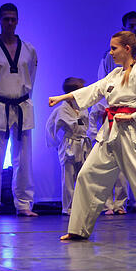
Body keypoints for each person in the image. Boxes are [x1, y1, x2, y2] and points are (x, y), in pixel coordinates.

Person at [49, 31, 136, 241]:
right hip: (109, 133)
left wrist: (133, 118)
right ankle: (78, 229)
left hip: (128, 134)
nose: (111, 52)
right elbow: (94, 90)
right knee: (87, 176)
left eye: (114, 48)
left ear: (127, 49)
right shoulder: (114, 75)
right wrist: (63, 97)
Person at [0, 3, 39, 217]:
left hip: (21, 105)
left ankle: (24, 204)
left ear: (18, 21)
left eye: (13, 19)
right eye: (5, 19)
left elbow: (31, 77)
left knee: (23, 158)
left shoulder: (29, 50)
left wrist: (24, 99)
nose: (9, 22)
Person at [96, 11, 136, 215]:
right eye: (131, 25)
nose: (135, 28)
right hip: (116, 114)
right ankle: (116, 203)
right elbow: (103, 85)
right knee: (112, 161)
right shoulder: (110, 58)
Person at [45, 77, 94, 215]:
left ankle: (82, 205)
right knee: (68, 178)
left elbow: (86, 124)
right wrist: (57, 143)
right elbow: (50, 127)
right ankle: (68, 207)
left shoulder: (82, 107)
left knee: (82, 177)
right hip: (69, 145)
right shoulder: (62, 110)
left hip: (82, 145)